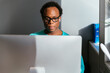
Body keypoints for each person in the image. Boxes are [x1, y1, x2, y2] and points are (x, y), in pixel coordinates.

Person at [30, 1, 85, 73]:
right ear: (43, 19)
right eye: (47, 18)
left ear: (59, 18)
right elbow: (27, 63)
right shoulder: (32, 37)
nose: (51, 22)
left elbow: (80, 68)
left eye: (54, 18)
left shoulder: (70, 41)